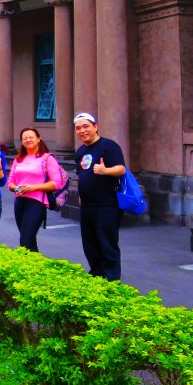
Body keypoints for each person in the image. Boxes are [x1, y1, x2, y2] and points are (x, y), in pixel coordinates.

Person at [73, 111, 127, 281]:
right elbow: (82, 174)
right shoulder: (81, 151)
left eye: (86, 126)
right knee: (90, 243)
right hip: (87, 206)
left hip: (107, 205)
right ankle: (97, 275)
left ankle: (111, 279)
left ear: (95, 127)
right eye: (78, 128)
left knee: (107, 243)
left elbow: (121, 169)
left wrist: (105, 171)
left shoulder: (108, 146)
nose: (82, 130)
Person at [6, 127, 65, 253]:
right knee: (28, 240)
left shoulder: (47, 158)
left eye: (31, 137)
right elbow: (10, 182)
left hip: (37, 203)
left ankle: (34, 269)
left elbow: (57, 183)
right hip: (20, 202)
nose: (28, 140)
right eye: (24, 138)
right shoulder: (19, 159)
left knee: (26, 240)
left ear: (38, 139)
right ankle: (36, 269)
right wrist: (17, 188)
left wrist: (33, 188)